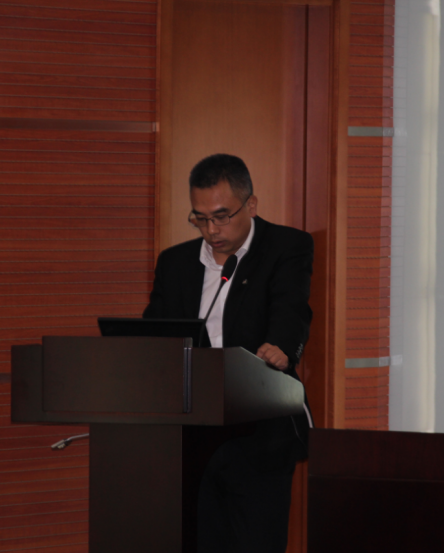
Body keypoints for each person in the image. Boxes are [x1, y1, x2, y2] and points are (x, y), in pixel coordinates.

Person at [143, 153, 313, 553]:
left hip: (259, 431)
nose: (211, 230)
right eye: (200, 218)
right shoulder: (175, 263)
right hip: (191, 436)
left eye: (221, 217)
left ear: (250, 205)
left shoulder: (286, 246)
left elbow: (291, 308)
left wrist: (283, 348)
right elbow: (154, 334)